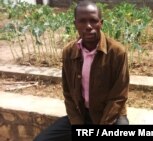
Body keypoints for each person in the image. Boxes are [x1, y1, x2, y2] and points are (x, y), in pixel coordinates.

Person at [34, 0, 129, 140]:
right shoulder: (69, 52)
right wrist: (78, 125)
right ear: (75, 24)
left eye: (93, 21)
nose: (88, 26)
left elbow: (119, 96)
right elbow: (68, 93)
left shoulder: (117, 52)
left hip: (110, 117)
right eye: (82, 21)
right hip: (82, 115)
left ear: (101, 23)